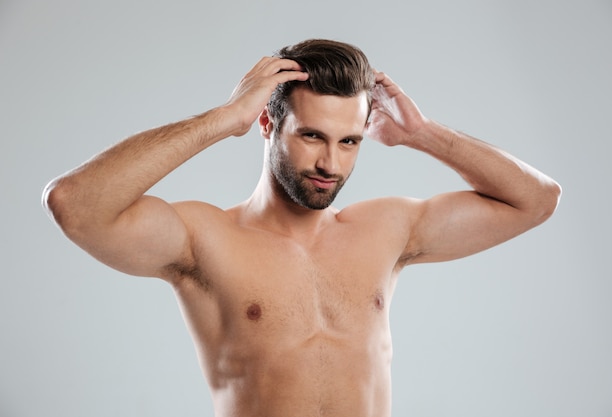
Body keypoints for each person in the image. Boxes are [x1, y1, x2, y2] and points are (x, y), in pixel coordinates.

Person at [43, 39, 561, 417]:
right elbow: (75, 204)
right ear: (267, 125)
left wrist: (423, 135)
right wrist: (224, 119)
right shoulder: (205, 239)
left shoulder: (387, 229)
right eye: (312, 135)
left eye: (349, 142)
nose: (330, 164)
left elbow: (536, 200)